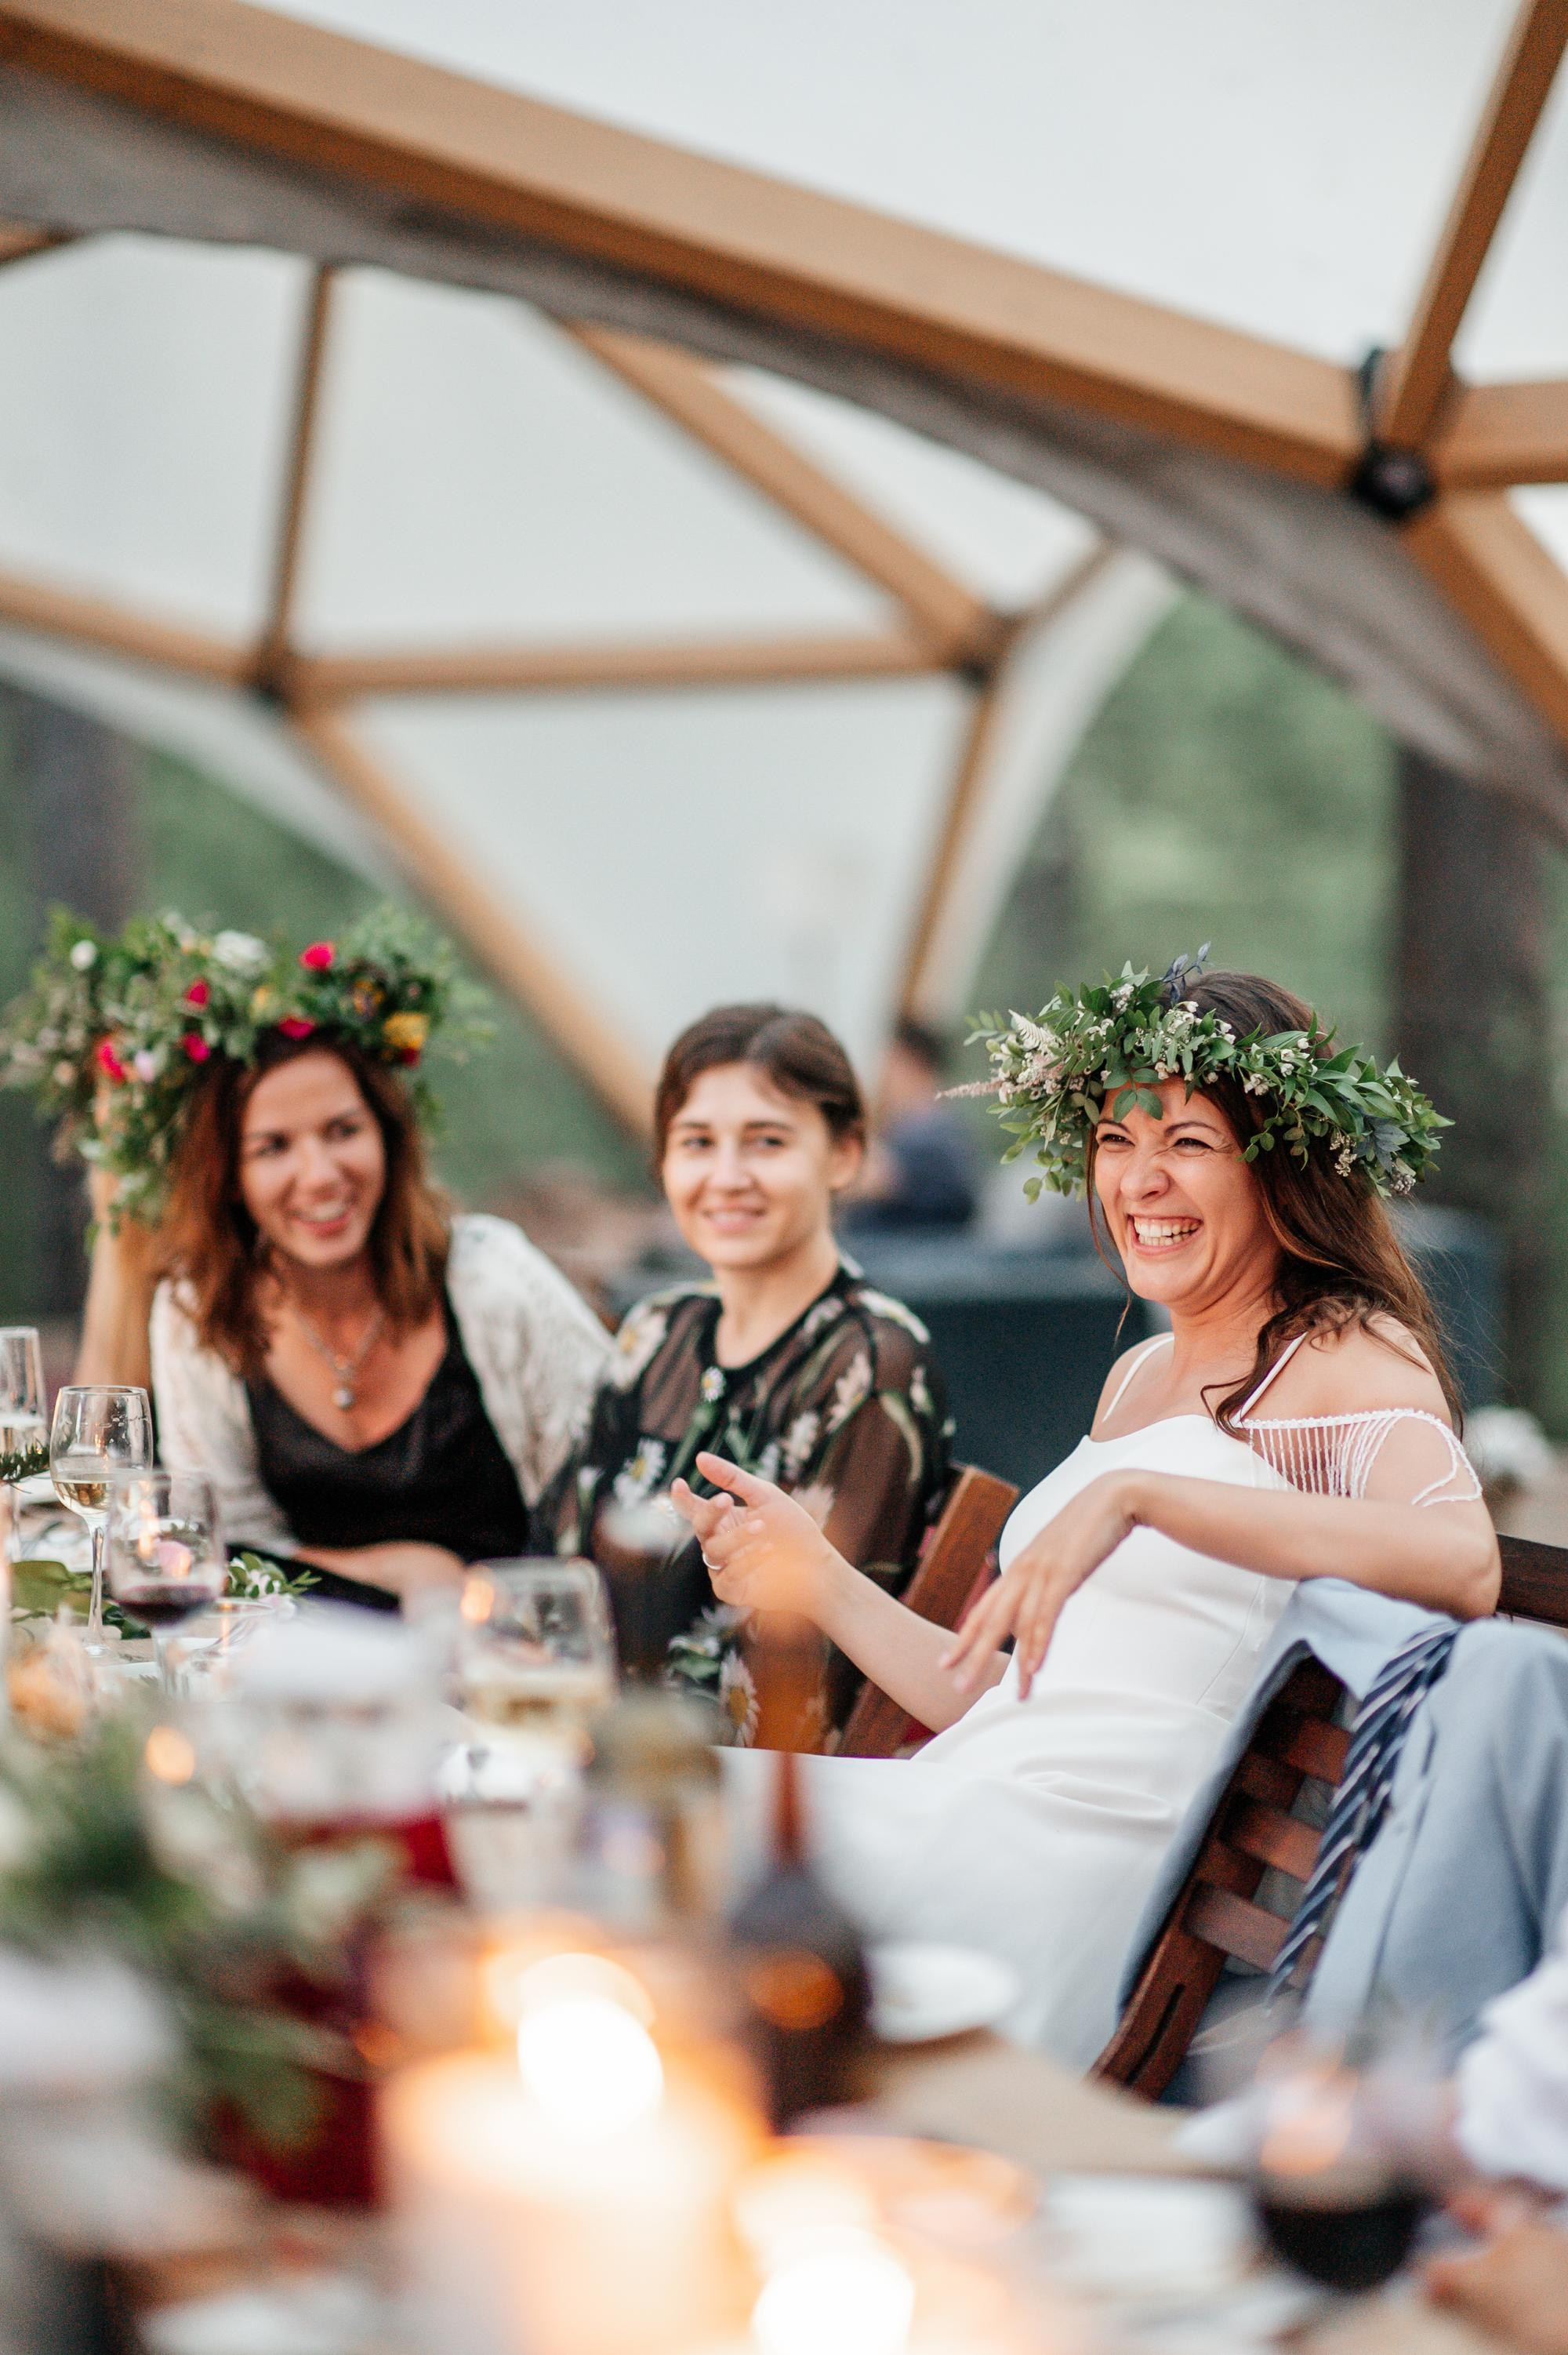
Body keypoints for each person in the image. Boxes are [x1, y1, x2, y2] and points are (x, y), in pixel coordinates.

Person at [675, 960, 1498, 2062]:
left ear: (1280, 1165)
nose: (1140, 1181)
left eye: (1189, 1142)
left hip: (1082, 1862)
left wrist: (1142, 1493)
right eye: (1116, 1140)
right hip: (974, 1795)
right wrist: (812, 1574)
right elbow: (995, 1694)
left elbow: (1464, 1562)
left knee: (662, 1833)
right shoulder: (1137, 1375)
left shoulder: (1341, 1351)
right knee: (631, 1798)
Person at [0, 906, 610, 1608]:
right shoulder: (198, 1310)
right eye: (274, 1147)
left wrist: (482, 1599)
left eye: (342, 1130)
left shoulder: (491, 1279)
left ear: (389, 1138)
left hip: (520, 1648)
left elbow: (613, 1505)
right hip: (312, 1657)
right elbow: (222, 1550)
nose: (319, 1175)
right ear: (230, 1176)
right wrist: (399, 1569)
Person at [547, 1003, 952, 1729]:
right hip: (590, 1744)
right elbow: (559, 1570)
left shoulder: (869, 1361)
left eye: (767, 1141)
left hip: (731, 1772)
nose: (727, 1176)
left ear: (845, 1154)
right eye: (697, 1142)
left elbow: (800, 1683)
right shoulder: (655, 1329)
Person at [840, 1016, 979, 1234]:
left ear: (908, 1063)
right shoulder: (929, 1130)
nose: (882, 1077)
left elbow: (861, 1179)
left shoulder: (932, 1136)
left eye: (889, 1064)